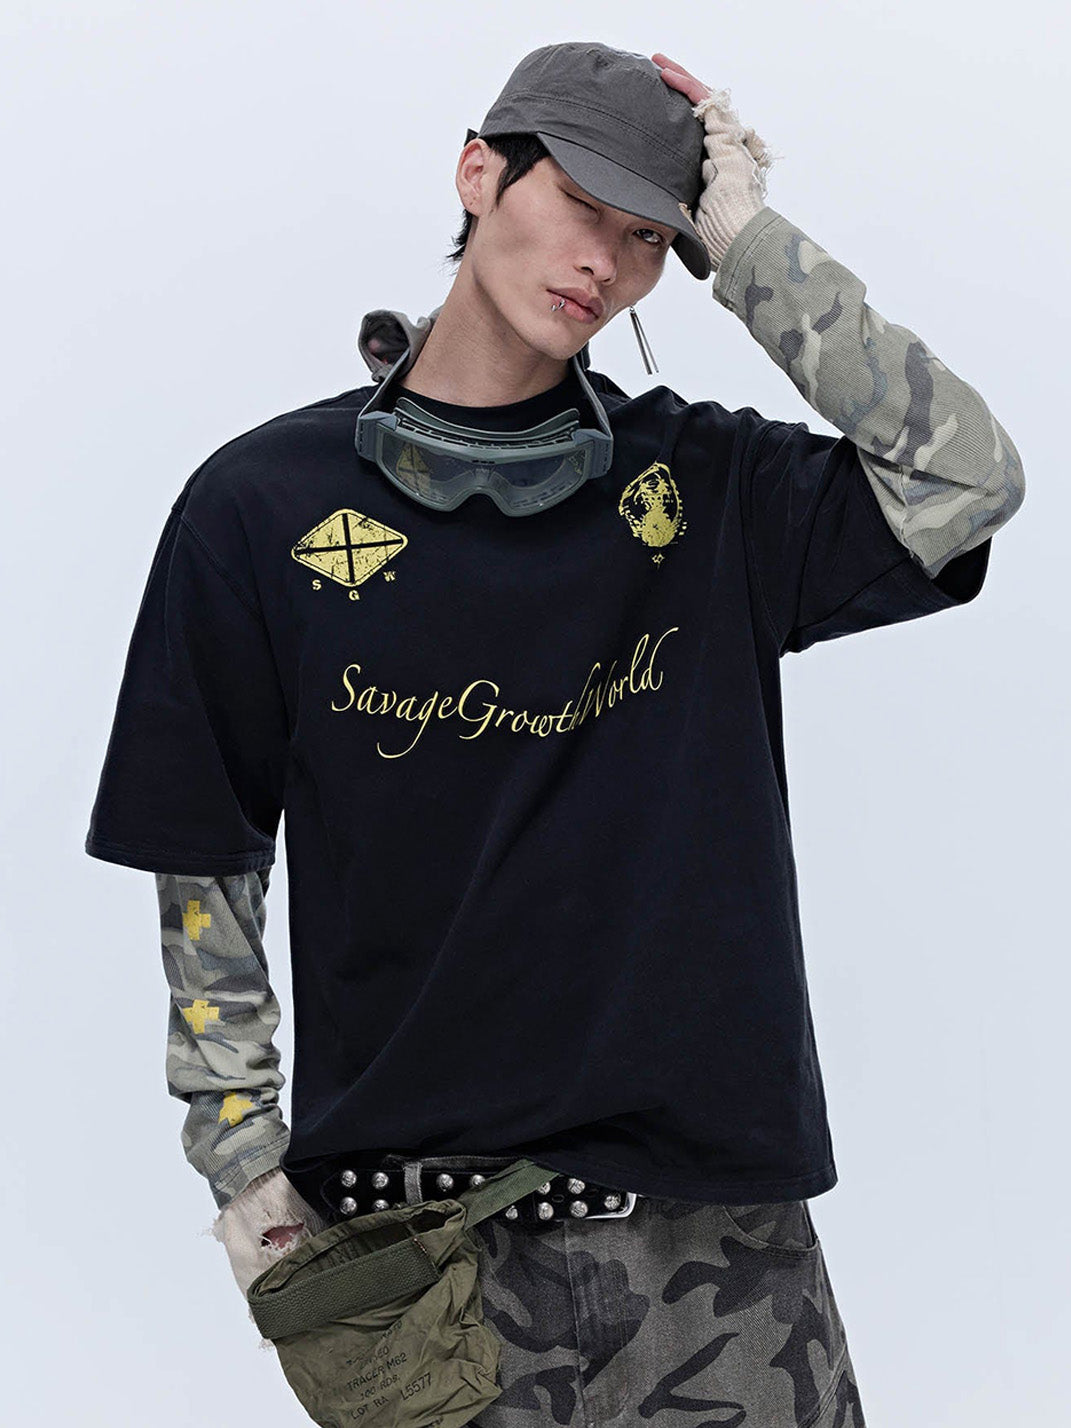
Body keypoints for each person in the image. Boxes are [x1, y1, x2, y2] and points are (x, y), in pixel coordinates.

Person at [86, 41, 1023, 1427]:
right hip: (424, 1267)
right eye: (583, 203)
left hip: (721, 1253)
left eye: (649, 238)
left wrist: (746, 243)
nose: (606, 262)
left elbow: (966, 479)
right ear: (480, 174)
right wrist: (245, 1176)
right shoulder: (260, 508)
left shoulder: (705, 491)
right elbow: (205, 864)